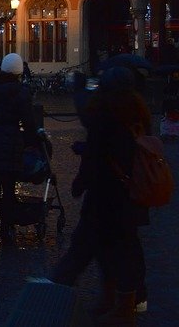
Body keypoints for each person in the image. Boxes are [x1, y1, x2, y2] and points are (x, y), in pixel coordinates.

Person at [47, 66, 152, 320]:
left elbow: (96, 157)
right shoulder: (138, 114)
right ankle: (124, 301)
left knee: (83, 248)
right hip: (130, 195)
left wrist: (80, 182)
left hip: (104, 197)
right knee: (119, 249)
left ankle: (53, 298)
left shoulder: (104, 114)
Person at [0, 52, 38, 243]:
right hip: (11, 143)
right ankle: (7, 227)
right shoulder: (21, 91)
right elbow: (28, 122)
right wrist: (32, 141)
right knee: (9, 188)